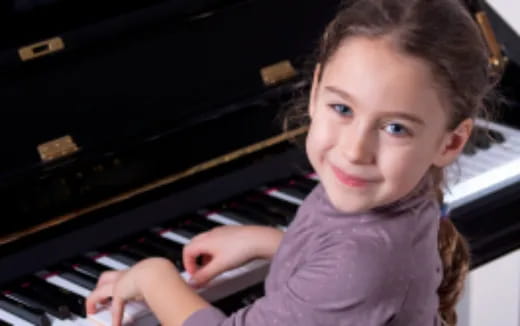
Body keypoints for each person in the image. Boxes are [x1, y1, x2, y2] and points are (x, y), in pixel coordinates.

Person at [85, 0, 500, 325]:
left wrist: (156, 276)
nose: (355, 150)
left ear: (451, 142)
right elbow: (347, 270)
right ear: (317, 86)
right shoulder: (389, 195)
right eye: (342, 108)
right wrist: (268, 242)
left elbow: (356, 272)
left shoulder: (364, 257)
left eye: (395, 128)